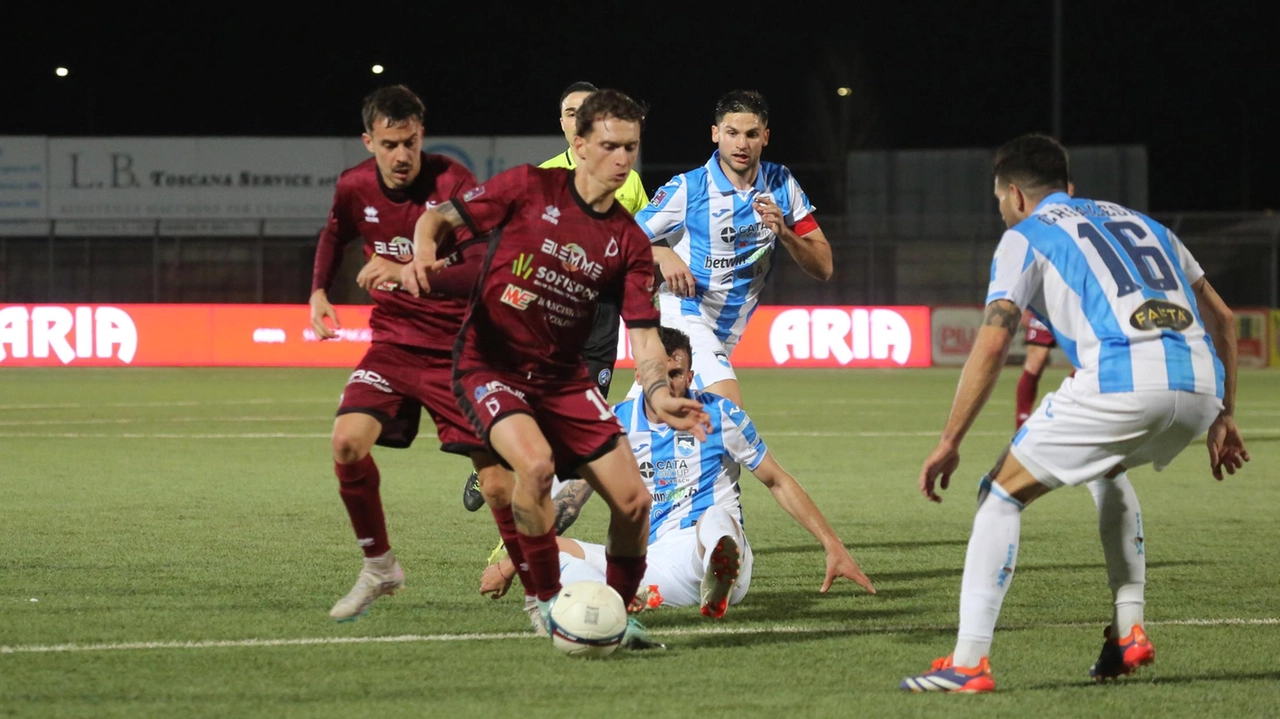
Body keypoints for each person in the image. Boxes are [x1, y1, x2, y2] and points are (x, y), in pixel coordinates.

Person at [901, 134, 1248, 693]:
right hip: (1201, 387)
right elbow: (1225, 321)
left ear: (1015, 195)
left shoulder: (1025, 235)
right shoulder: (1149, 226)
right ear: (1069, 187)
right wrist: (1225, 415)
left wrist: (950, 439)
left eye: (999, 203)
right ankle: (1129, 628)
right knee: (1106, 467)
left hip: (1124, 381)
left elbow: (993, 342)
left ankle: (968, 662)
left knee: (1000, 494)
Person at [401, 89, 712, 649]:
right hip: (490, 362)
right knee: (538, 467)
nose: (623, 159)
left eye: (632, 148)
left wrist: (660, 392)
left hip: (562, 377)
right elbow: (437, 219)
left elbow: (642, 334)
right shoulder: (527, 186)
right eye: (611, 146)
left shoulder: (629, 240)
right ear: (581, 143)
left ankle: (616, 614)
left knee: (634, 502)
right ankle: (543, 601)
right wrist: (423, 253)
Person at [478, 327, 876, 618]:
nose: (669, 382)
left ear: (690, 375)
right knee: (556, 552)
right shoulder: (615, 425)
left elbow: (777, 480)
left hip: (712, 551)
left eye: (678, 373)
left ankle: (717, 575)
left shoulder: (719, 414)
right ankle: (614, 603)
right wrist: (514, 562)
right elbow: (570, 500)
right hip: (652, 561)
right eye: (659, 373)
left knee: (716, 519)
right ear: (639, 376)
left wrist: (832, 544)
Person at [309, 85, 497, 621]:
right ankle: (380, 566)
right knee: (346, 442)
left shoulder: (454, 185)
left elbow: (482, 270)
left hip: (456, 351)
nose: (401, 156)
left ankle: (539, 593)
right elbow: (334, 234)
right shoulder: (353, 188)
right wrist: (319, 291)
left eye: (410, 142)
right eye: (389, 143)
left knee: (500, 486)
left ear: (422, 137)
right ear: (368, 141)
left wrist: (408, 272)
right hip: (392, 344)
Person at [460, 81, 650, 518]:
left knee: (583, 419)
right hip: (549, 314)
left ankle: (539, 518)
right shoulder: (544, 176)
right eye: (569, 111)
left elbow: (638, 242)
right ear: (567, 125)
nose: (576, 117)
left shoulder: (630, 181)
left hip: (601, 318)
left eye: (586, 109)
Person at [629, 89, 832, 408]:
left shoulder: (781, 183)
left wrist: (785, 233)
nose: (741, 144)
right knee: (726, 407)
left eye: (751, 134)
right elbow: (618, 239)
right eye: (732, 133)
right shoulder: (688, 188)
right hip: (684, 312)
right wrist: (662, 253)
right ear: (715, 134)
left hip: (728, 330)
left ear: (765, 136)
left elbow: (824, 266)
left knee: (644, 417)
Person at [1015, 314, 1056, 429]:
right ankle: (1021, 423)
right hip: (1045, 311)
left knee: (1086, 364)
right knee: (1033, 365)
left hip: (1077, 309)